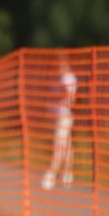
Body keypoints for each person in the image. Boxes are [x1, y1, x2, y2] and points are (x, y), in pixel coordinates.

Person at [42, 58, 78, 190]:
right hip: (58, 116)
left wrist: (58, 95)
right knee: (66, 147)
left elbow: (70, 97)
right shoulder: (59, 78)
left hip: (64, 117)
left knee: (59, 146)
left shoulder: (68, 78)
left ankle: (51, 175)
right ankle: (67, 175)